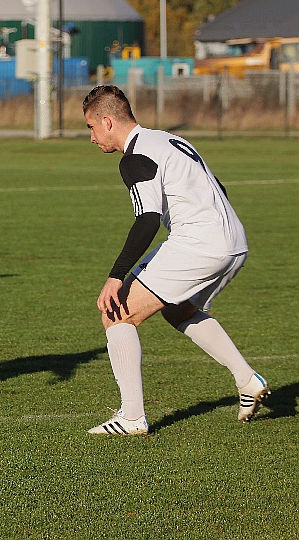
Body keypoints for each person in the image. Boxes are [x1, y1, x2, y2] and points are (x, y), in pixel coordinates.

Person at [82, 85, 269, 436]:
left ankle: (132, 417)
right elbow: (219, 189)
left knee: (116, 313)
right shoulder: (168, 140)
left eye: (91, 127)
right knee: (178, 309)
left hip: (199, 244)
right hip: (234, 242)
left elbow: (148, 218)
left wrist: (116, 276)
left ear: (107, 122)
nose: (91, 138)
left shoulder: (135, 157)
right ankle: (247, 380)